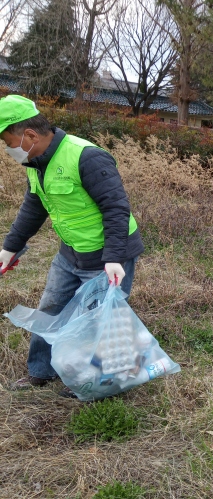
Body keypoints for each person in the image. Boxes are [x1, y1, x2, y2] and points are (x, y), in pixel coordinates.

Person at [0, 95, 144, 396]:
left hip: (106, 256)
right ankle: (41, 371)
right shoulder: (35, 162)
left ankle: (93, 381)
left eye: (7, 142)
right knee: (50, 308)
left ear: (30, 135)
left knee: (96, 321)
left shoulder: (86, 157)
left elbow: (116, 208)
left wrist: (114, 257)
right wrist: (10, 248)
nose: (7, 149)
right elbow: (34, 207)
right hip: (70, 254)